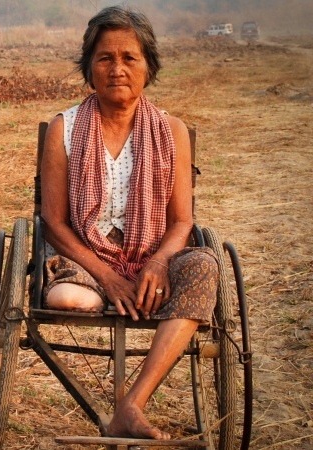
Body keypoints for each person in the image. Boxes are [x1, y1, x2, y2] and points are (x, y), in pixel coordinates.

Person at [40, 6, 219, 440]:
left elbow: (182, 221)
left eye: (129, 58)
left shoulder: (170, 131)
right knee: (68, 298)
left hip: (151, 263)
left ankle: (131, 406)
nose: (117, 68)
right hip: (84, 258)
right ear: (89, 68)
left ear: (148, 67)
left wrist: (158, 264)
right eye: (104, 58)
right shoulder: (64, 129)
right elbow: (54, 224)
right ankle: (108, 294)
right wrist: (108, 276)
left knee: (204, 268)